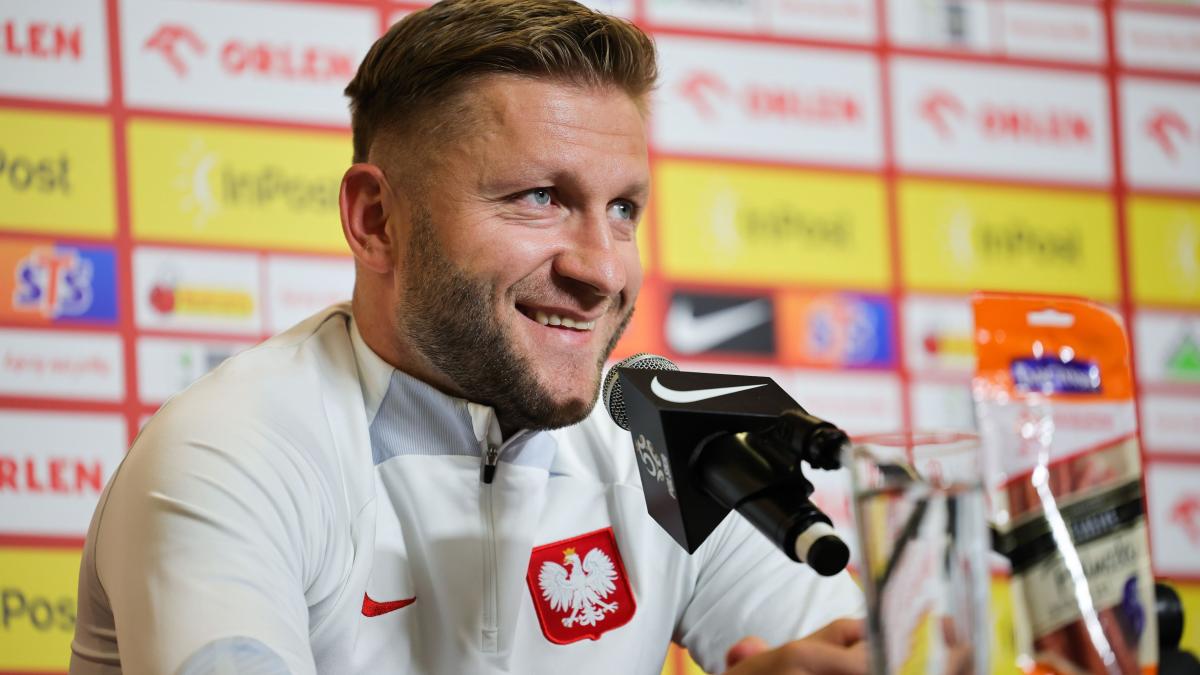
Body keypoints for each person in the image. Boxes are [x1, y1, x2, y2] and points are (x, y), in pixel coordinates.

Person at [70, 1, 866, 673]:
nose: (601, 269)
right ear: (377, 220)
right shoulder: (234, 449)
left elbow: (854, 652)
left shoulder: (667, 449)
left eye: (623, 208)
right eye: (540, 196)